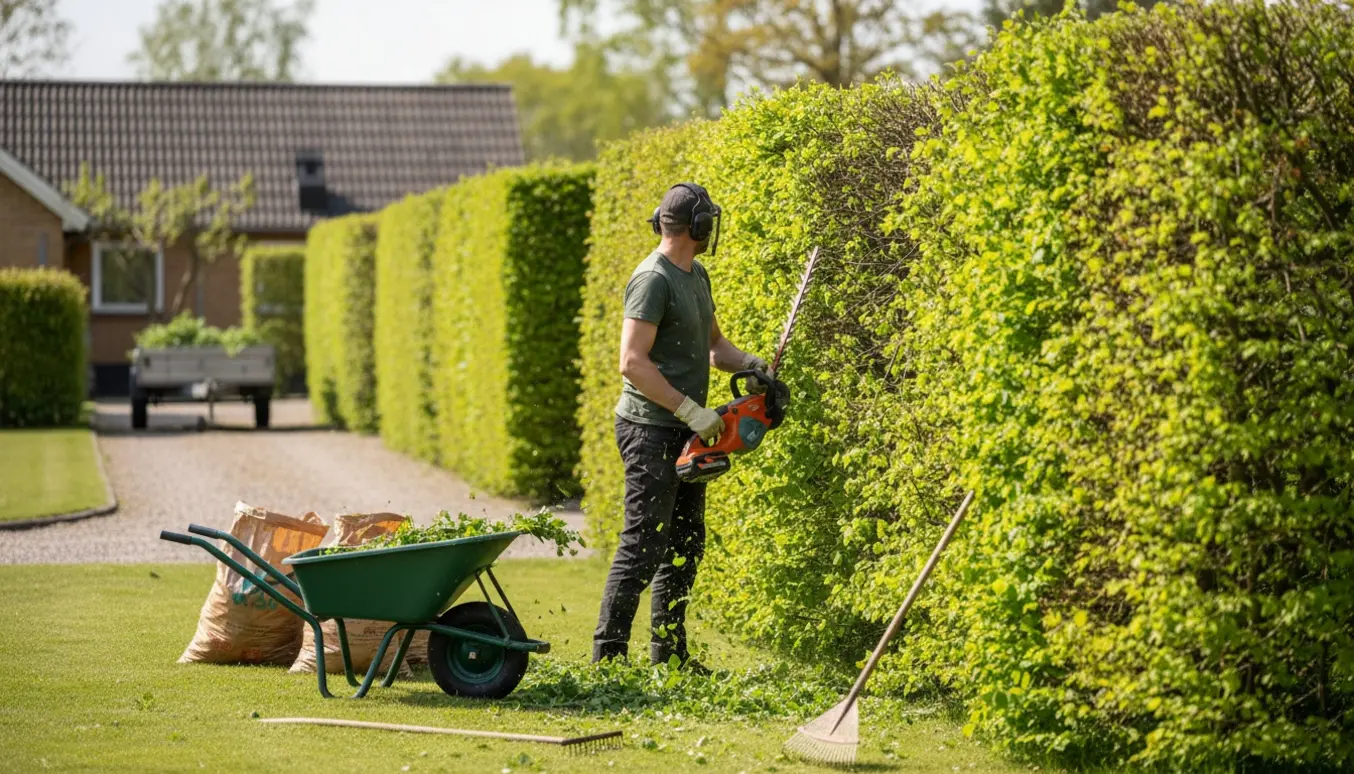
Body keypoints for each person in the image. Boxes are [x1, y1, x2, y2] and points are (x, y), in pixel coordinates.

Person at [592, 182, 767, 671]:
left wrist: (753, 367)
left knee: (685, 545)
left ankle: (669, 658)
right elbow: (632, 362)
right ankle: (607, 661)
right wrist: (690, 409)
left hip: (687, 431)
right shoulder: (653, 279)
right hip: (650, 428)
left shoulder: (697, 275)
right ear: (698, 226)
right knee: (642, 544)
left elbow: (716, 347)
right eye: (708, 219)